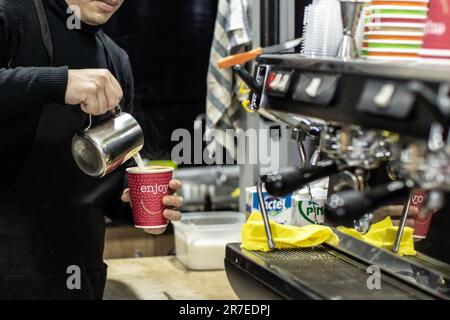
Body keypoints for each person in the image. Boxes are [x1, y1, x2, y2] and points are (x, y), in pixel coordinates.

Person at [0, 0, 183, 299]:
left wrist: (138, 204)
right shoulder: (12, 15)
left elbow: (105, 188)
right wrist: (60, 82)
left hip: (81, 281)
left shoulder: (114, 60)